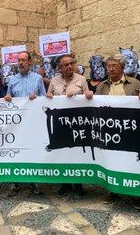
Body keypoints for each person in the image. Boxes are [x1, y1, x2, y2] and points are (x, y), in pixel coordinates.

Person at [94, 54, 140, 210]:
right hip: (108, 131)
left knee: (130, 162)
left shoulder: (135, 83)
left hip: (130, 131)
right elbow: (94, 105)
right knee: (110, 161)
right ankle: (112, 190)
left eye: (114, 66)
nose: (110, 69)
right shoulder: (102, 86)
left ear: (122, 67)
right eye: (108, 66)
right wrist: (90, 96)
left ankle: (134, 194)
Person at [46, 54, 93, 199]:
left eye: (71, 63)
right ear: (60, 68)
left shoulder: (82, 79)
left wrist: (89, 94)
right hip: (60, 124)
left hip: (77, 124)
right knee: (62, 153)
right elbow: (48, 96)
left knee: (77, 154)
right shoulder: (54, 81)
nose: (69, 66)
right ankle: (65, 184)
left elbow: (89, 98)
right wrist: (48, 96)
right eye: (66, 65)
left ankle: (78, 185)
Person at [4, 51, 46, 197]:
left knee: (31, 151)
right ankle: (15, 182)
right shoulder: (12, 80)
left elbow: (44, 100)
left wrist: (37, 98)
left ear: (29, 62)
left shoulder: (38, 79)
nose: (21, 63)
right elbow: (8, 97)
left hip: (32, 123)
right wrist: (7, 98)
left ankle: (34, 181)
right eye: (19, 60)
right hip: (16, 124)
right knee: (16, 151)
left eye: (23, 60)